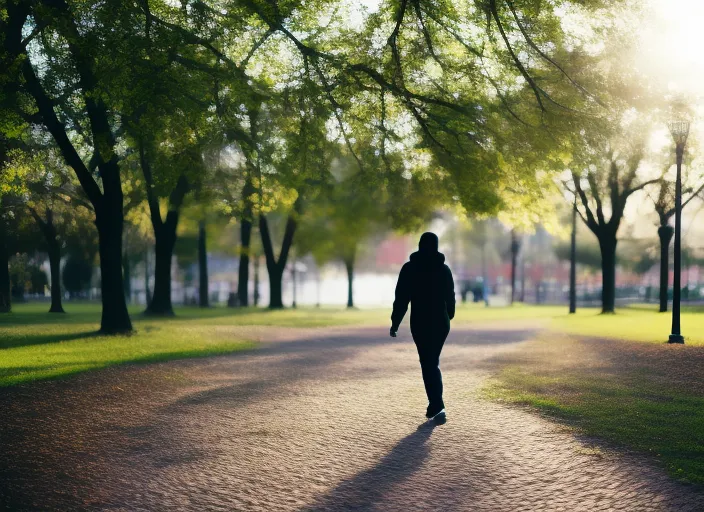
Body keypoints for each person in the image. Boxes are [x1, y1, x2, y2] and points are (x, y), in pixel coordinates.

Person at [390, 232, 455, 422]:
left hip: (419, 322)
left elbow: (401, 299)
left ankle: (438, 405)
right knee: (431, 362)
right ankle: (434, 404)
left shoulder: (410, 269)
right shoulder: (444, 270)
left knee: (428, 362)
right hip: (440, 323)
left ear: (420, 245)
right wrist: (448, 317)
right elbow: (450, 298)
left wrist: (395, 322)